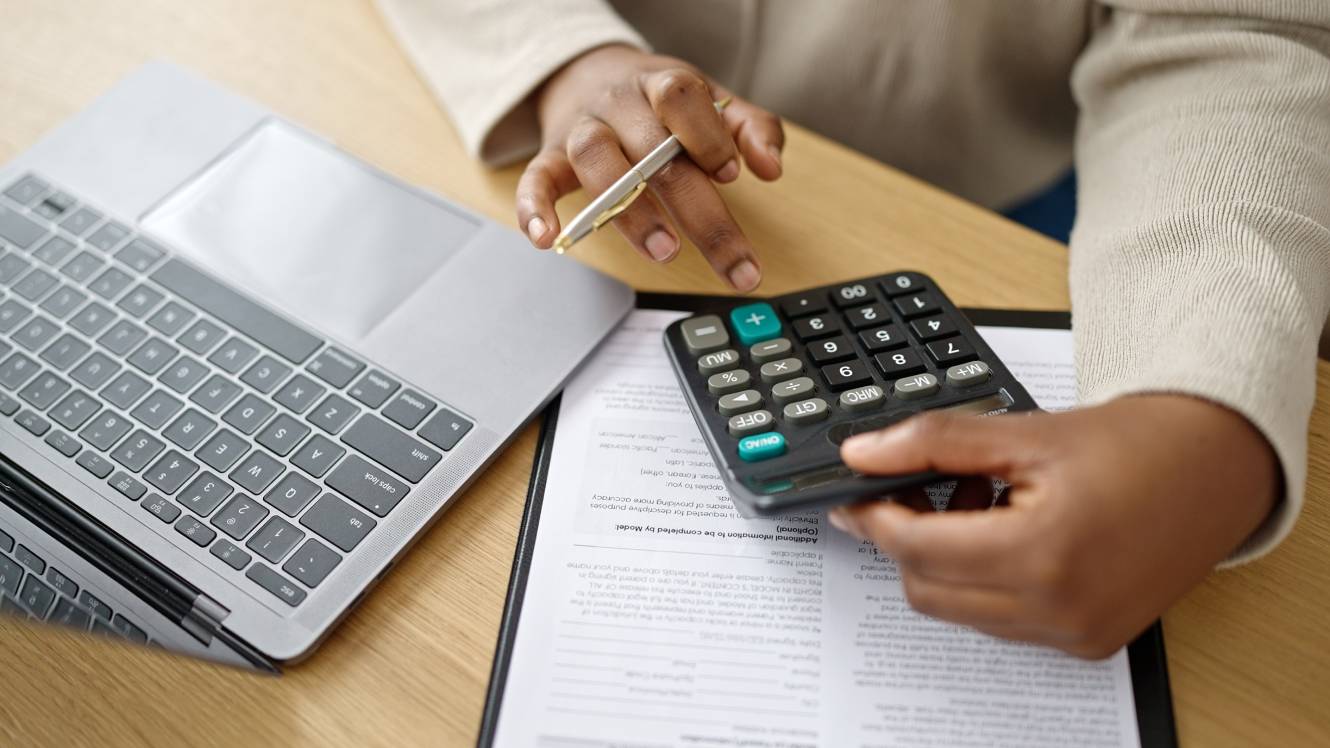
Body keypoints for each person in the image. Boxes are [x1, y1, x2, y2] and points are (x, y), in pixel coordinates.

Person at [377, 0, 1330, 658]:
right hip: (593, 136)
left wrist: (1212, 410)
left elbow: (1239, 28)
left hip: (1019, 183)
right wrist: (560, 54)